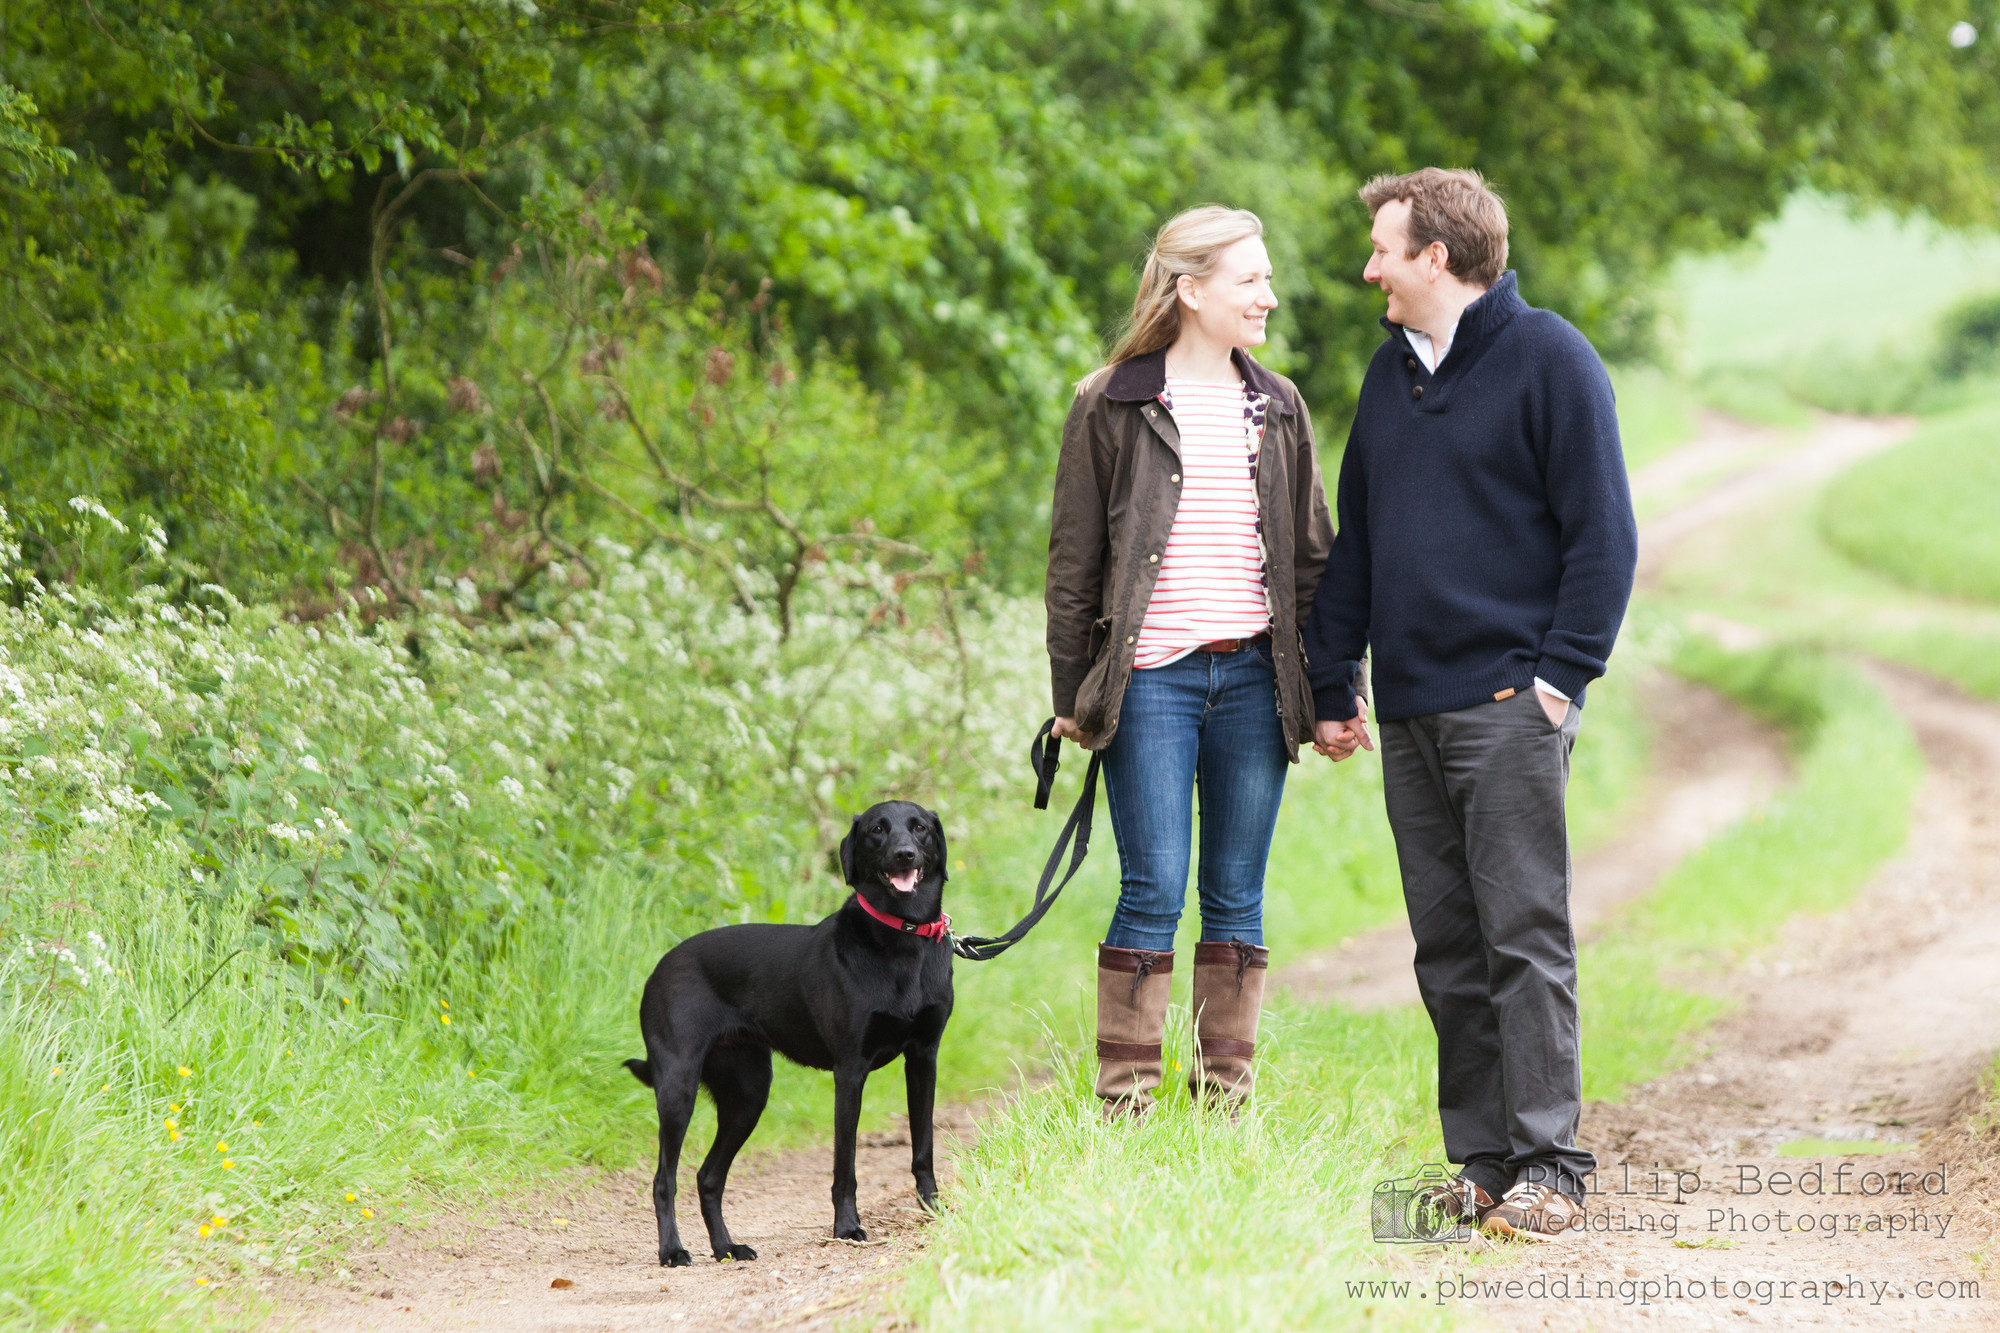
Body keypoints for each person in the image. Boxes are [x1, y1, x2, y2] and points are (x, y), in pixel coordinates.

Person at [1305, 169, 1637, 1239]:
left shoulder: (1552, 362)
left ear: (1434, 258)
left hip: (1507, 702)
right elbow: (1356, 544)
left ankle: (1551, 1166)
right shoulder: (1386, 372)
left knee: (1520, 934)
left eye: (1382, 249)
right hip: (1406, 709)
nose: (1369, 270)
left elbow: (1603, 538)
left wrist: (1556, 679)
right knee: (1444, 946)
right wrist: (1329, 679)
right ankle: (1482, 1165)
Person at [1045, 205, 1334, 1117]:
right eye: (1251, 279)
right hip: (1151, 684)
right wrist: (1075, 699)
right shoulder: (1111, 403)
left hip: (1255, 679)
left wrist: (1332, 692)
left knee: (1237, 893)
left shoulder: (1278, 405)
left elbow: (1312, 562)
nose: (1269, 296)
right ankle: (1125, 1105)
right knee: (1153, 885)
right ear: (1192, 289)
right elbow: (1072, 566)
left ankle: (1223, 1103)